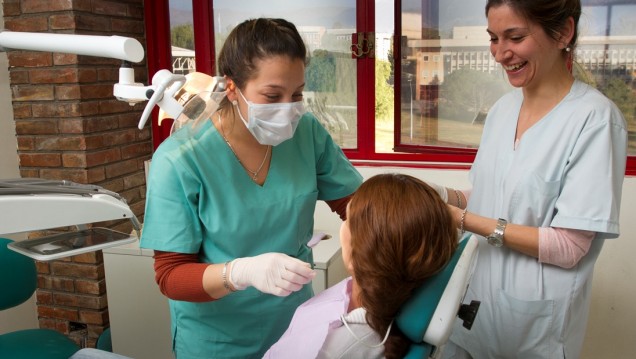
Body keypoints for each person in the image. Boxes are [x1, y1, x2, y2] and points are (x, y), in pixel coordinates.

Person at [139, 18, 362, 358]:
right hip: (216, 340)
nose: (289, 108)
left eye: (297, 94)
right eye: (273, 95)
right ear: (232, 88)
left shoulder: (307, 132)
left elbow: (356, 206)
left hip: (295, 326)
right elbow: (170, 276)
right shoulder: (181, 159)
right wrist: (239, 273)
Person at [429, 1, 628, 358]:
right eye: (493, 38)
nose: (500, 54)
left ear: (563, 33)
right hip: (470, 309)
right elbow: (493, 197)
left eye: (515, 37)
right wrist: (440, 195)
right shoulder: (502, 112)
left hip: (532, 328)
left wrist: (458, 219)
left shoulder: (594, 120)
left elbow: (570, 246)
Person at [264, 173, 459, 359]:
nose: (343, 224)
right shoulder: (399, 293)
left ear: (356, 257)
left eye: (347, 220)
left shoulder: (334, 349)